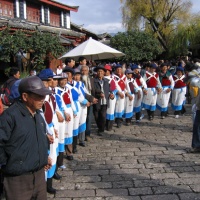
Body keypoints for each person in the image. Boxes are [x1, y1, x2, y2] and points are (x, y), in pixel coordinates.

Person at [0, 76, 52, 200]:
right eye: (38, 96)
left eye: (44, 96)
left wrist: (43, 157)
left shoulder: (38, 115)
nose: (43, 99)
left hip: (39, 176)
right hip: (18, 180)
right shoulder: (10, 116)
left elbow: (38, 138)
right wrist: (11, 165)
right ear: (25, 96)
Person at [93, 66, 112, 136]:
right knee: (97, 116)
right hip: (97, 102)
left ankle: (101, 130)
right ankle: (99, 127)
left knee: (103, 116)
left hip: (104, 102)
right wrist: (98, 94)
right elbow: (93, 91)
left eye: (101, 71)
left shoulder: (106, 81)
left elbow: (109, 90)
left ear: (104, 73)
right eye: (98, 71)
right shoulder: (93, 81)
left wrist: (111, 95)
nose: (100, 73)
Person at [81, 65, 98, 141]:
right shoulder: (79, 80)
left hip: (91, 101)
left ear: (88, 71)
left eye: (85, 70)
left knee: (89, 118)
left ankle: (87, 134)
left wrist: (95, 97)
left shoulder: (91, 79)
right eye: (82, 70)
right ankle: (81, 135)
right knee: (82, 119)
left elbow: (94, 89)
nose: (84, 72)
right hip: (82, 102)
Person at [104, 64, 117, 131]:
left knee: (111, 110)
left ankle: (110, 125)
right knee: (104, 111)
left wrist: (113, 94)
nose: (106, 72)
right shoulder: (102, 79)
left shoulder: (113, 78)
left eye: (108, 70)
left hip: (112, 97)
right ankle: (104, 124)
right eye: (105, 70)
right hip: (104, 97)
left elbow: (116, 87)